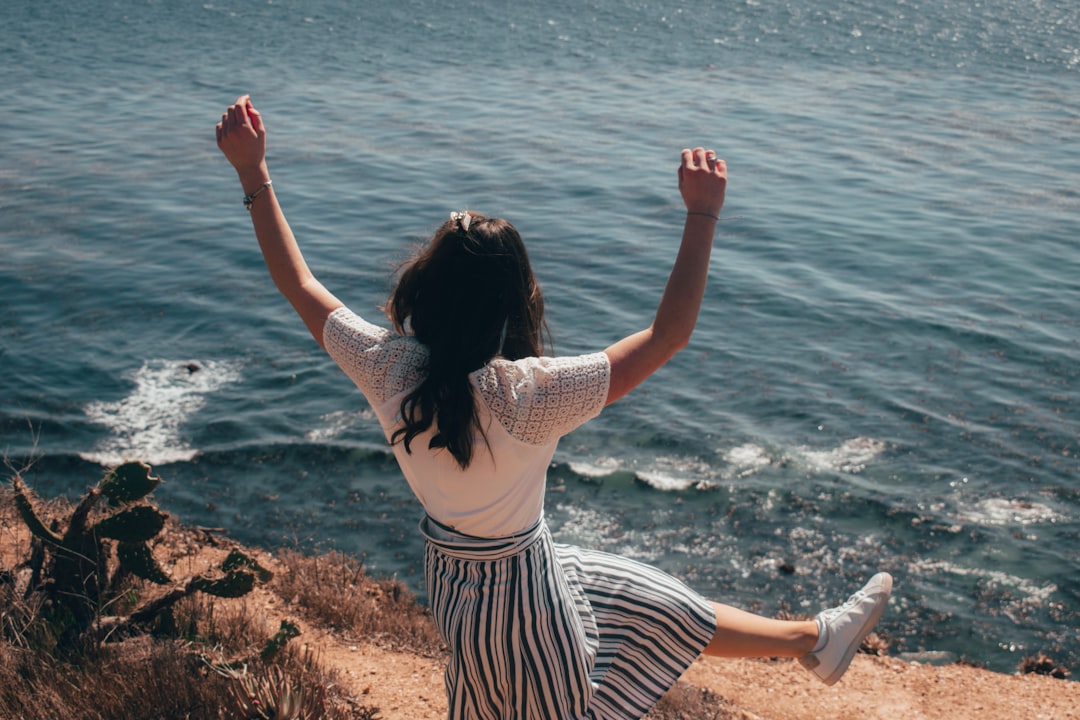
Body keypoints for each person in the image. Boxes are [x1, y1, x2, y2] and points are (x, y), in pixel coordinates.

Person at [216, 95, 892, 719]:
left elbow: (296, 281)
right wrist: (702, 214)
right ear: (515, 301)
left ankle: (816, 639)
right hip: (518, 604)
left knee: (658, 602)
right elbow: (669, 336)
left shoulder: (389, 369)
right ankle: (812, 640)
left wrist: (254, 171)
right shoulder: (531, 395)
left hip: (475, 575)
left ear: (427, 284)